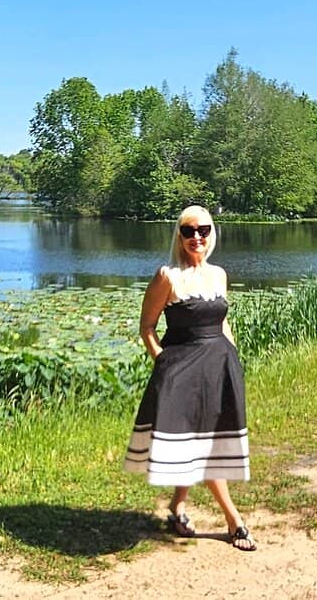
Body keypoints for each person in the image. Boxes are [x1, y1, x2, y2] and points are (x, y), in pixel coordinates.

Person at [123, 205, 256, 551]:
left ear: (212, 233)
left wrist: (233, 356)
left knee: (198, 444)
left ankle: (177, 506)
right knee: (204, 447)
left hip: (220, 370)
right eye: (188, 231)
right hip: (182, 373)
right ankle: (234, 521)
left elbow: (221, 321)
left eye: (203, 230)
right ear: (179, 236)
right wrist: (163, 363)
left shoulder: (219, 274)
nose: (197, 237)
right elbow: (147, 327)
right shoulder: (168, 276)